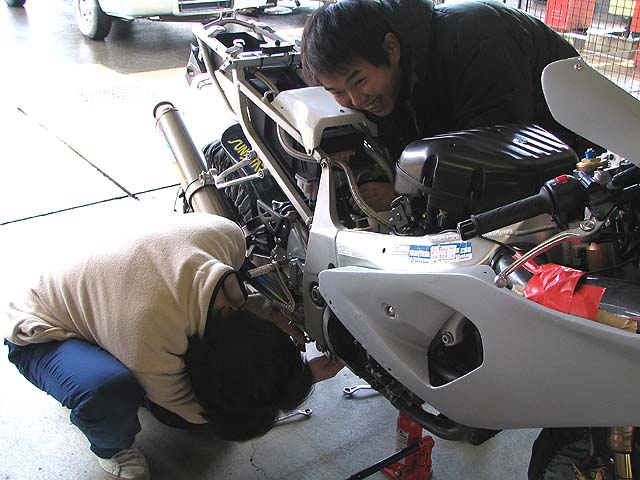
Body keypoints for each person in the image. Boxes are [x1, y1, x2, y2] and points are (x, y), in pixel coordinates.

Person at [3, 210, 343, 480]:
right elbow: (198, 415)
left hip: (108, 299)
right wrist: (303, 379)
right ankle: (112, 450)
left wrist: (272, 311)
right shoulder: (151, 340)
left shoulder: (228, 237)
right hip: (42, 329)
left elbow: (239, 302)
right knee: (109, 391)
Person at [301, 0, 600, 211]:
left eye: (358, 81)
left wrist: (406, 196)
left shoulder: (475, 43)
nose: (356, 100)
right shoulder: (394, 77)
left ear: (391, 49)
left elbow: (502, 168)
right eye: (337, 92)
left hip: (580, 162)